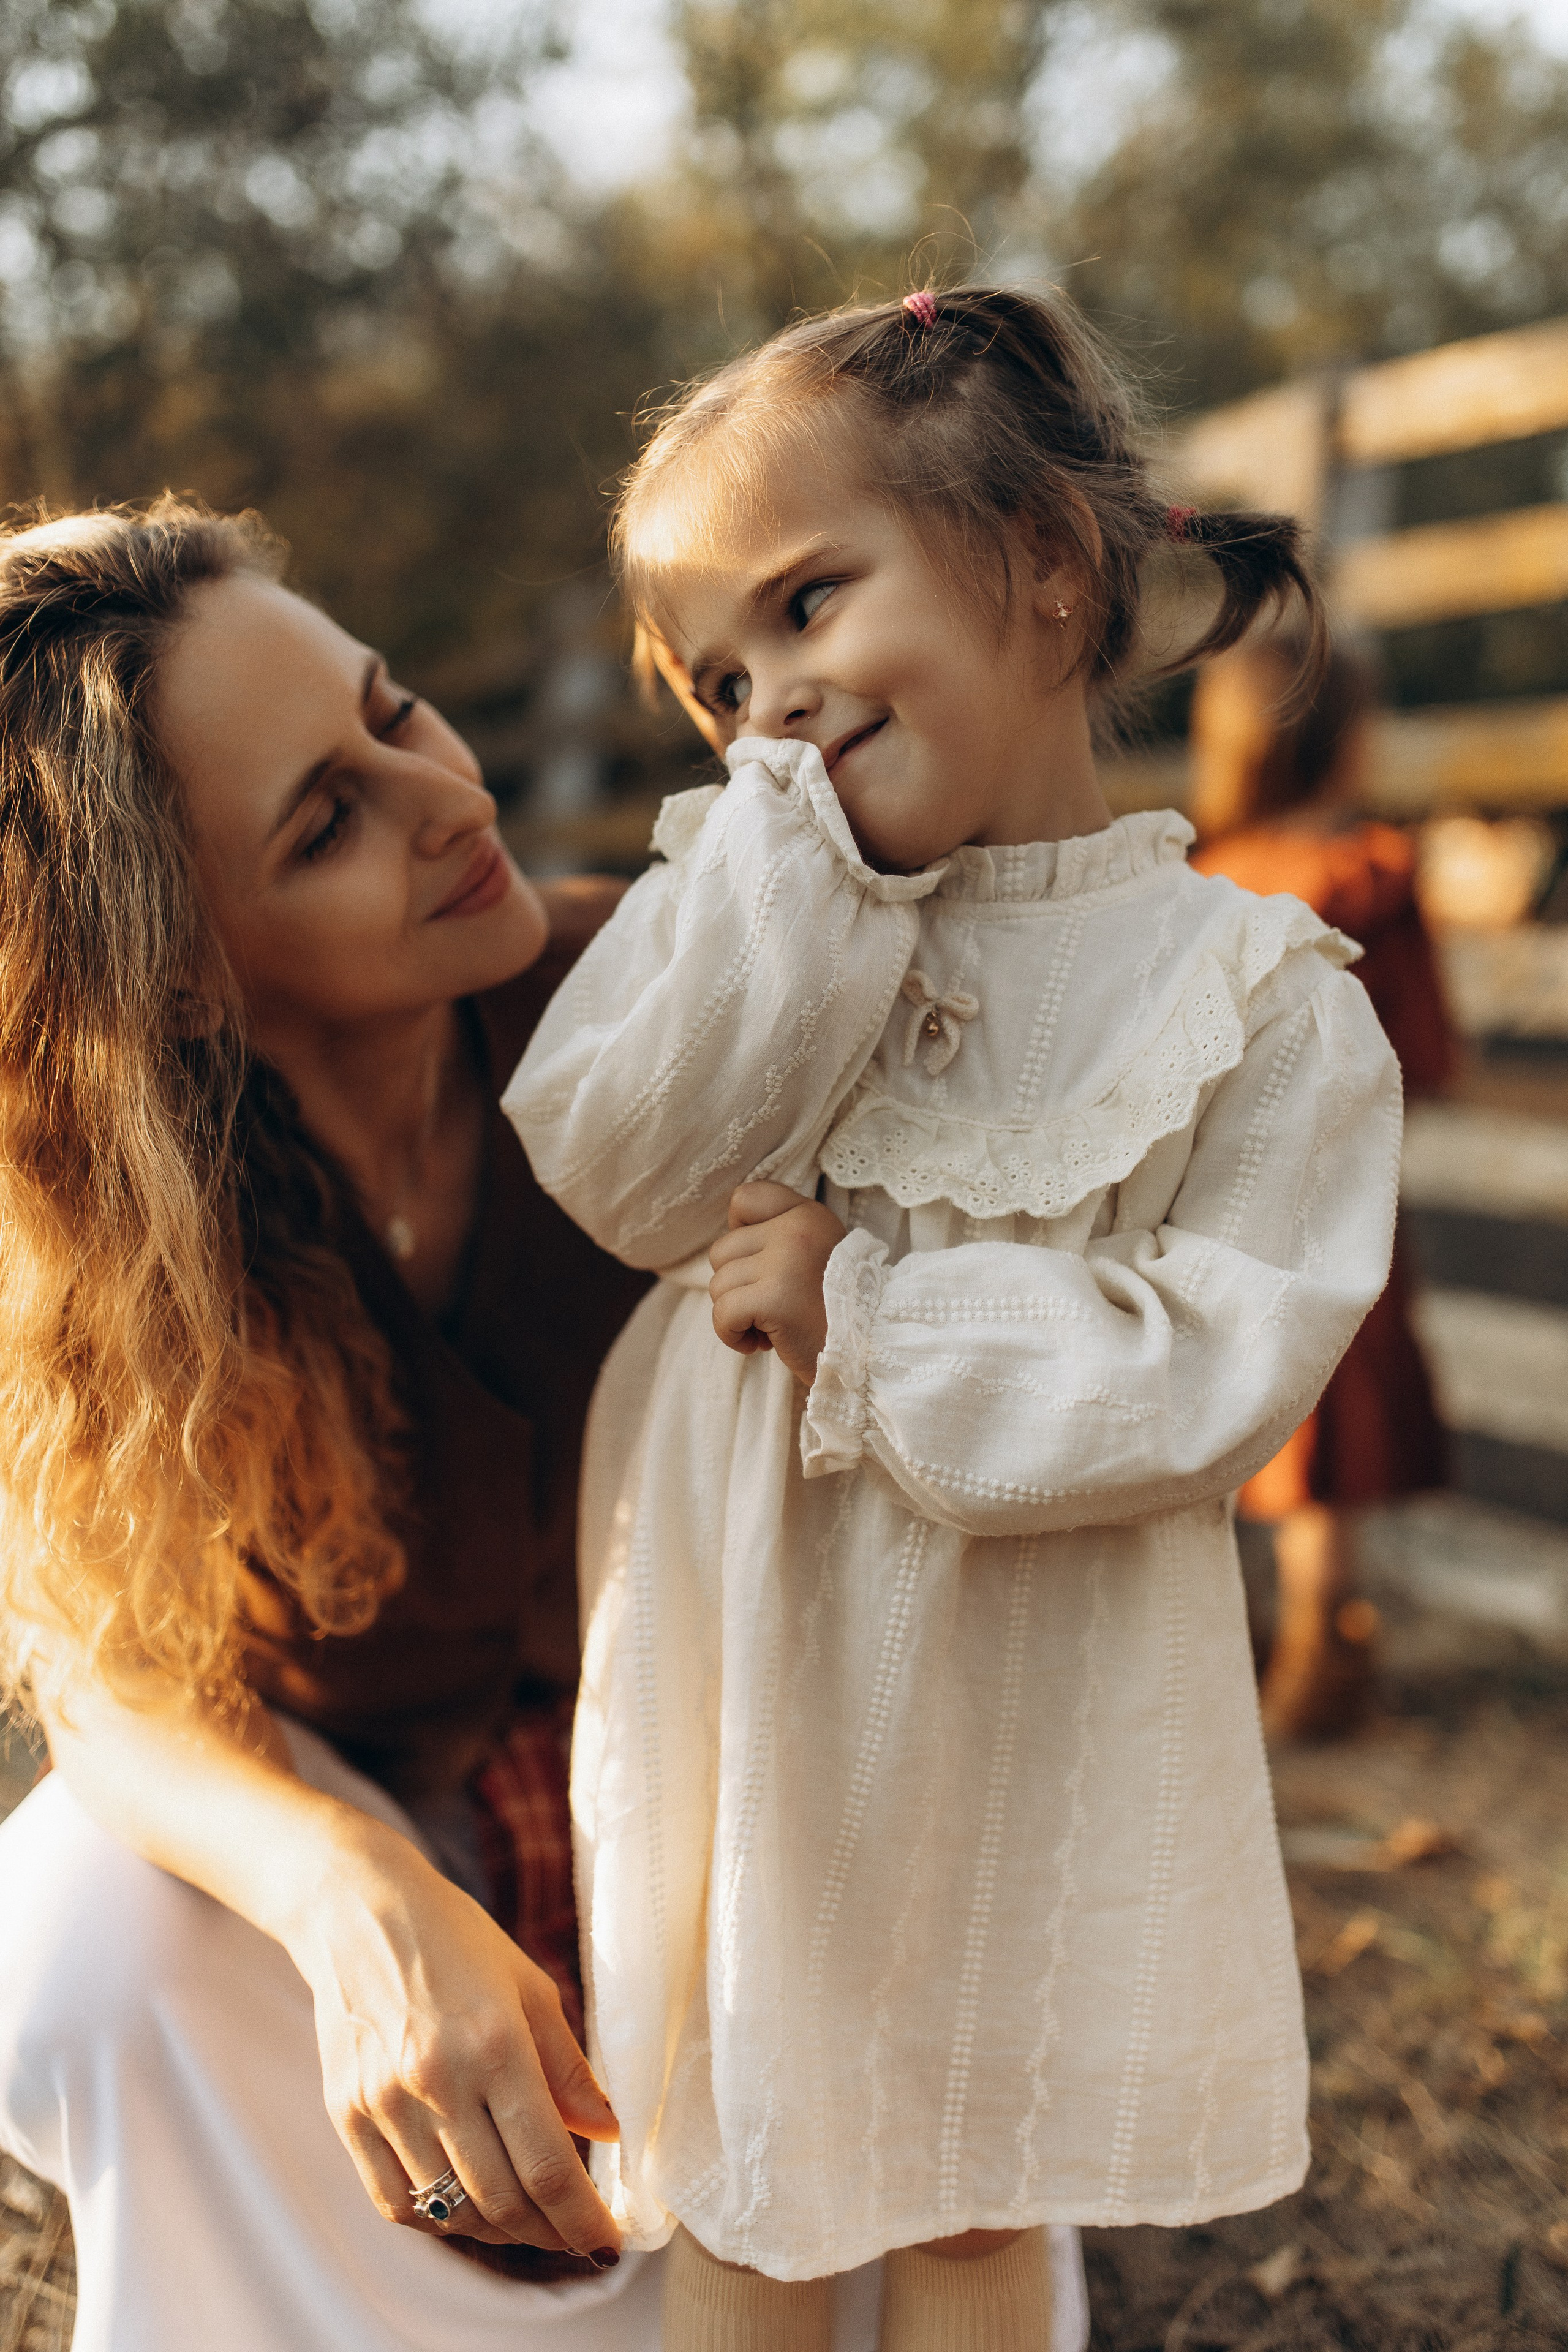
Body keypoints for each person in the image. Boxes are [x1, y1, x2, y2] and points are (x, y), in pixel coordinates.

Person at [505, 287, 1402, 2352]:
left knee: (975, 2182)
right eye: (721, 674)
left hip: (1028, 1683)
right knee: (749, 2164)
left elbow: (1214, 1373)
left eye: (815, 605)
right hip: (753, 1650)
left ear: (1047, 567)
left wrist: (878, 1312)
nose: (775, 704)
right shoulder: (730, 900)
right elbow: (618, 1170)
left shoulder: (1259, 1003)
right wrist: (798, 893)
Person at [0, 500, 665, 2352]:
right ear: (188, 970)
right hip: (404, 1826)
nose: (440, 798)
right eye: (325, 820)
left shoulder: (683, 1012)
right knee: (75, 1939)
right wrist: (350, 1888)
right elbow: (99, 1667)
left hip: (740, 1796)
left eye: (396, 712)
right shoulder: (101, 1235)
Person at [1188, 634, 1452, 1739]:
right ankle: (1317, 1641)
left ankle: (1223, 1641)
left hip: (1210, 1208)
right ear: (1344, 742)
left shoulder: (1198, 887)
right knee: (1327, 1434)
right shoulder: (1371, 883)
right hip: (1334, 1198)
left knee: (1206, 1402)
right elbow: (1428, 1055)